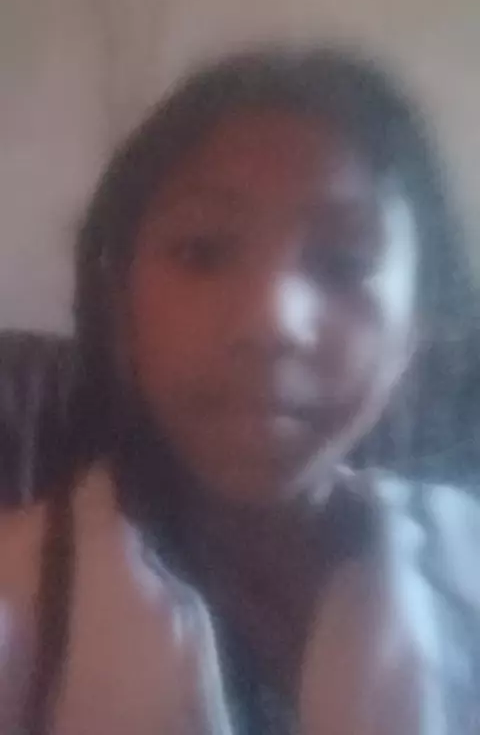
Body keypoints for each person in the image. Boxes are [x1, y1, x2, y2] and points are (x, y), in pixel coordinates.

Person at [1, 47, 479, 734]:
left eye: (342, 263)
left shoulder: (466, 567)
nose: (269, 324)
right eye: (201, 253)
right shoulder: (18, 594)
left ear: (415, 334)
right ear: (119, 306)